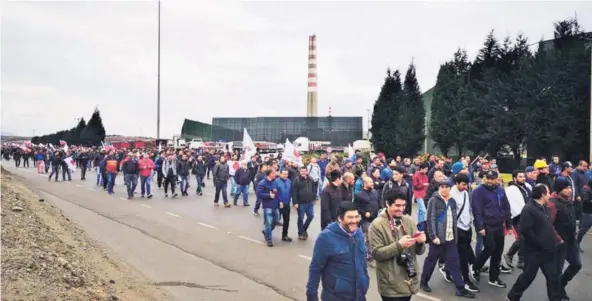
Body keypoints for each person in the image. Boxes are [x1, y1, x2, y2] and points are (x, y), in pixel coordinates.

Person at [421, 178, 475, 298]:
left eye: (446, 187)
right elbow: (430, 219)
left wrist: (455, 237)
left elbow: (454, 220)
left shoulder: (452, 201)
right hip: (438, 239)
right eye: (441, 187)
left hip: (450, 238)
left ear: (450, 188)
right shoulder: (433, 200)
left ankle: (460, 289)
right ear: (439, 188)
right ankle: (424, 281)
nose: (444, 189)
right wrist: (433, 236)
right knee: (431, 261)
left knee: (454, 263)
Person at [506, 184, 562, 301]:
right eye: (548, 193)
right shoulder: (529, 209)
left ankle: (555, 298)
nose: (550, 195)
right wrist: (539, 243)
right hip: (534, 251)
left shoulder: (544, 207)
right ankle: (513, 296)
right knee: (528, 276)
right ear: (542, 195)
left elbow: (548, 226)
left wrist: (554, 238)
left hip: (548, 251)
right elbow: (525, 231)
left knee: (553, 276)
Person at [368, 190, 426, 301]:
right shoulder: (377, 225)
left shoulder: (409, 221)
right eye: (397, 205)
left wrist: (420, 242)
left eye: (404, 205)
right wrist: (399, 245)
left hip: (408, 280)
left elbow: (419, 252)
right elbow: (377, 254)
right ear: (387, 204)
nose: (401, 209)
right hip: (390, 285)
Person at [306, 201, 369, 301]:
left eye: (356, 216)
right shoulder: (326, 237)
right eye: (350, 217)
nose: (355, 220)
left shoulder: (359, 234)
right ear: (340, 218)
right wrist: (312, 296)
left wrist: (365, 280)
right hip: (336, 297)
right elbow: (316, 268)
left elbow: (363, 262)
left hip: (359, 295)